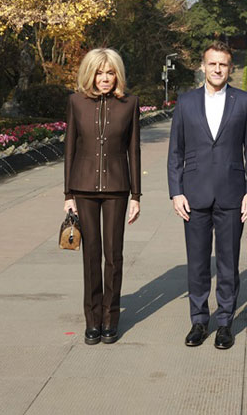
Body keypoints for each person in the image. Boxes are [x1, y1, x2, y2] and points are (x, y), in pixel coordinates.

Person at [167, 42, 247, 350]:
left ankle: (224, 323)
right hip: (193, 194)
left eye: (223, 64)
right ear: (203, 66)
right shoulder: (186, 102)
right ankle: (198, 320)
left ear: (230, 68)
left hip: (232, 194)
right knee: (197, 263)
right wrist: (176, 192)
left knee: (228, 263)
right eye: (212, 63)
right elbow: (175, 151)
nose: (217, 69)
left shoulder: (244, 101)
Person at [64, 47, 141, 345]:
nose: (104, 78)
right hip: (82, 187)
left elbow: (133, 149)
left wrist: (136, 195)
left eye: (110, 72)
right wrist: (68, 194)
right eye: (99, 73)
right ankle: (92, 320)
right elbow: (70, 148)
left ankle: (111, 318)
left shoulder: (129, 103)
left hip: (117, 188)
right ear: (90, 74)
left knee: (114, 255)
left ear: (117, 75)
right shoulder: (76, 102)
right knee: (91, 255)